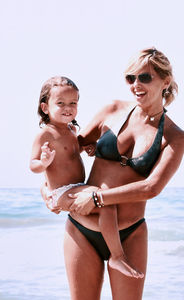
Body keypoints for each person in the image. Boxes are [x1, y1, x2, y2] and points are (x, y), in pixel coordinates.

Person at [42, 48, 184, 300]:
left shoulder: (175, 137)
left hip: (129, 233)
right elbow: (65, 149)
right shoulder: (112, 110)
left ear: (165, 81)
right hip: (82, 229)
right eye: (130, 78)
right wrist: (47, 188)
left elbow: (151, 188)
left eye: (145, 78)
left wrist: (99, 198)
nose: (135, 85)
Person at [30, 76, 143, 280]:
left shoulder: (72, 131)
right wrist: (44, 162)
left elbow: (72, 153)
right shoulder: (45, 134)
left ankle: (109, 250)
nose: (68, 108)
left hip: (78, 187)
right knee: (104, 200)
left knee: (105, 203)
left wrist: (85, 148)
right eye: (61, 103)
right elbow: (33, 165)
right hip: (62, 192)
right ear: (45, 107)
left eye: (73, 103)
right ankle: (117, 256)